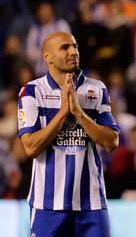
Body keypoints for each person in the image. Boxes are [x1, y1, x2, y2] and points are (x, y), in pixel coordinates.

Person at [17, 31, 120, 237]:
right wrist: (63, 113)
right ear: (47, 57)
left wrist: (78, 113)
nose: (73, 52)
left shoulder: (97, 89)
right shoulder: (31, 91)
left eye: (75, 46)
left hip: (91, 204)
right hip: (47, 205)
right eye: (65, 48)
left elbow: (111, 142)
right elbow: (30, 147)